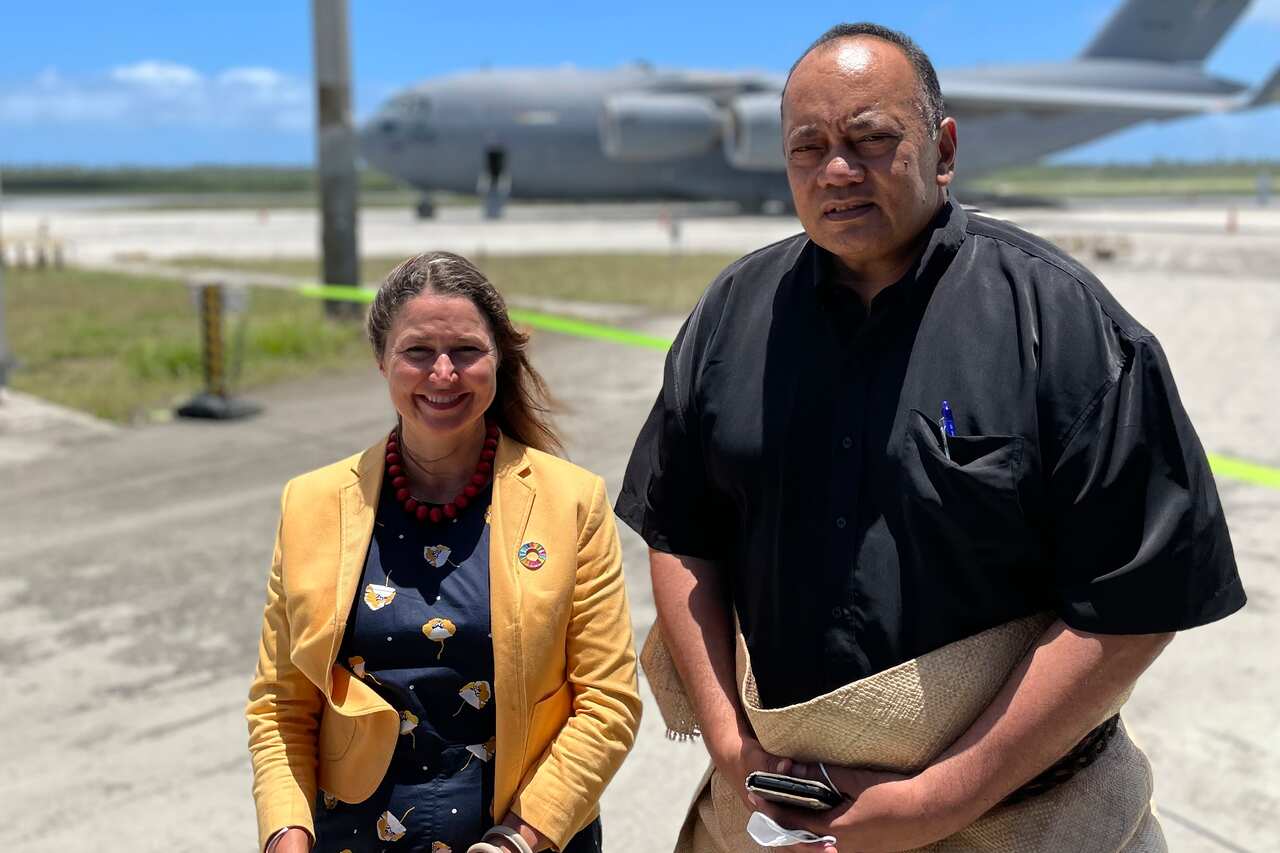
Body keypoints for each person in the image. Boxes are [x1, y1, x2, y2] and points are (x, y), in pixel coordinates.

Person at [616, 23, 1245, 853]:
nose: (837, 170)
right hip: (772, 809)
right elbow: (681, 534)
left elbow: (1136, 600)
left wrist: (939, 799)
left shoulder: (1060, 324)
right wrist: (734, 747)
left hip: (1018, 816)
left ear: (943, 148)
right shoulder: (732, 316)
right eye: (808, 148)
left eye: (871, 140)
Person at [247, 251, 641, 853]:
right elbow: (281, 706)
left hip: (520, 841)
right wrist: (285, 835)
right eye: (417, 352)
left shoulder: (571, 503)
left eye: (465, 351)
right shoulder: (312, 505)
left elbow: (607, 704)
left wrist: (519, 839)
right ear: (382, 360)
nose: (443, 374)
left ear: (498, 359)